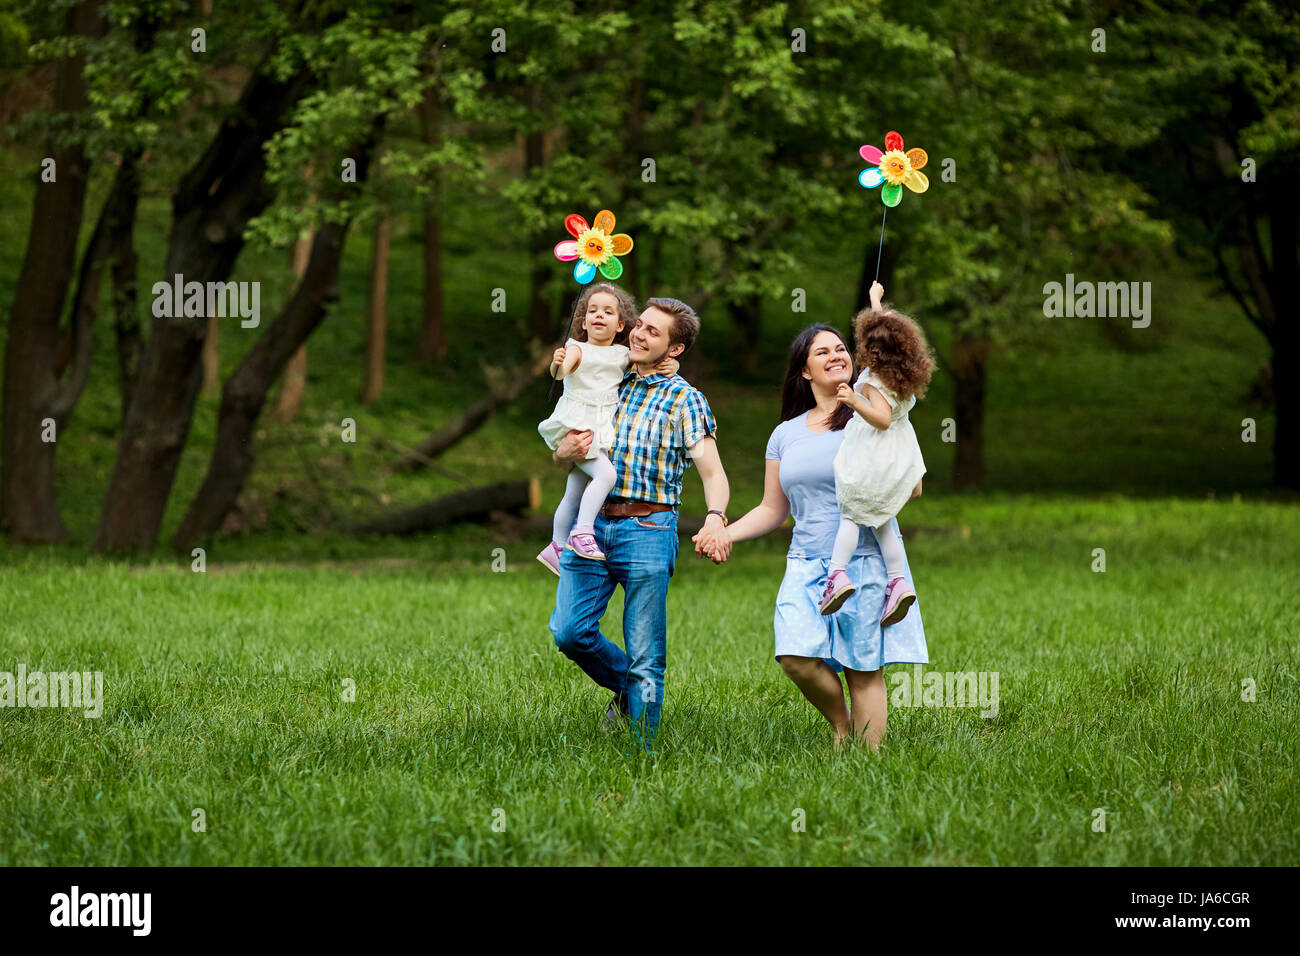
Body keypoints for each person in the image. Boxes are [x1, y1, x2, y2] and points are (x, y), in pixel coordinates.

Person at [693, 319, 928, 748]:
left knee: (863, 666)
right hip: (806, 561)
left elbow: (910, 482)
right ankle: (842, 726)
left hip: (865, 559)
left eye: (841, 348)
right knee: (795, 656)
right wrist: (727, 533)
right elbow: (772, 509)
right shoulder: (785, 434)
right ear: (805, 372)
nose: (836, 355)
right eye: (822, 352)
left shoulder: (871, 416)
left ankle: (867, 765)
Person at [548, 298, 730, 752]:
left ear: (675, 349)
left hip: (647, 529)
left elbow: (713, 473)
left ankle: (643, 752)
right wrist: (562, 453)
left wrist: (716, 518)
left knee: (647, 651)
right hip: (590, 527)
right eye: (640, 325)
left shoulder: (685, 400)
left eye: (653, 332)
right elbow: (565, 454)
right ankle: (629, 691)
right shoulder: (607, 378)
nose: (639, 334)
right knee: (570, 632)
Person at [536, 283, 677, 571]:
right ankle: (582, 532)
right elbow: (563, 371)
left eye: (608, 312)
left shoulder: (621, 355)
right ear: (584, 321)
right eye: (592, 311)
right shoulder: (577, 349)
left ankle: (556, 545)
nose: (599, 315)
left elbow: (647, 363)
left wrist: (670, 365)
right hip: (578, 426)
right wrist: (557, 365)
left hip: (598, 427)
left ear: (620, 324)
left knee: (574, 490)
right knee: (606, 475)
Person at [822, 282, 934, 620]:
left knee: (851, 513)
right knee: (885, 519)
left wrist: (854, 400)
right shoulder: (901, 375)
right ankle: (899, 582)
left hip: (873, 453)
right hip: (900, 452)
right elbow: (885, 328)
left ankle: (837, 575)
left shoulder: (872, 379)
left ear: (873, 351)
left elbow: (882, 419)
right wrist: (875, 301)